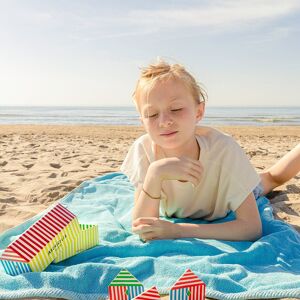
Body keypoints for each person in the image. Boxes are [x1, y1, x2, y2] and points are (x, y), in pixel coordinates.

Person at [120, 59, 300, 242]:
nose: (164, 121)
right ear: (142, 121)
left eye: (176, 109)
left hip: (226, 201)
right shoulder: (144, 149)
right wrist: (155, 174)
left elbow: (251, 229)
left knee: (272, 178)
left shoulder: (223, 150)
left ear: (199, 112)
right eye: (152, 114)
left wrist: (178, 230)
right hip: (194, 201)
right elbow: (142, 226)